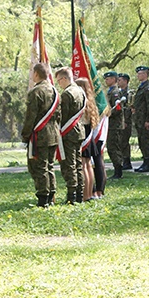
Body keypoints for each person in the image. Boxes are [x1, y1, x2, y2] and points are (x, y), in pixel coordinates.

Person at [21, 63, 61, 207]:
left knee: (39, 167)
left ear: (36, 74)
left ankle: (43, 198)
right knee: (49, 166)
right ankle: (51, 195)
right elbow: (58, 115)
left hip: (40, 135)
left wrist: (25, 135)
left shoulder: (35, 92)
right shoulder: (55, 91)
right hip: (53, 134)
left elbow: (30, 117)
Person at [55, 67, 86, 203]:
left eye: (59, 81)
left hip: (69, 132)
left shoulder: (67, 94)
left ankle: (71, 196)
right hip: (78, 131)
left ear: (65, 78)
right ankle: (80, 193)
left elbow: (63, 116)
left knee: (69, 164)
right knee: (78, 164)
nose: (59, 84)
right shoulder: (80, 90)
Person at [76, 77, 103, 200]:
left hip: (83, 135)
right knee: (87, 165)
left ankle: (86, 195)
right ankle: (89, 193)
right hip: (88, 134)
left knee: (83, 165)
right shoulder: (91, 102)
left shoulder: (82, 102)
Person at [132, 66, 149, 172]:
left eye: (140, 73)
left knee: (146, 141)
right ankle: (145, 162)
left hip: (144, 119)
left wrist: (148, 120)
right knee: (141, 140)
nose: (138, 75)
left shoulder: (148, 87)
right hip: (139, 119)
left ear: (145, 74)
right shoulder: (141, 87)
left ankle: (148, 163)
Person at [104, 71, 126, 179]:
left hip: (115, 125)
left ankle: (118, 170)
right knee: (111, 147)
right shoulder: (110, 91)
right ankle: (117, 169)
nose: (106, 81)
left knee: (114, 147)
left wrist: (107, 113)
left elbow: (118, 109)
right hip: (111, 125)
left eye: (108, 79)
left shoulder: (116, 92)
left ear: (113, 79)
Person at [116, 73, 133, 170]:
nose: (118, 82)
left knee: (124, 141)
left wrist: (125, 120)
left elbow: (128, 108)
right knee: (120, 141)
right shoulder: (118, 92)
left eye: (120, 80)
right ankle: (122, 159)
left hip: (126, 120)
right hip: (120, 120)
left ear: (126, 81)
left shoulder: (129, 93)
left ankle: (127, 161)